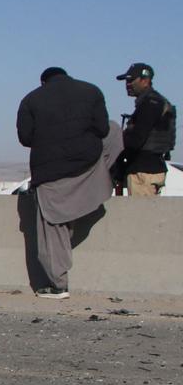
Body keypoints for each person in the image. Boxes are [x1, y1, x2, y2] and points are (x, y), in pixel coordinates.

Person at [18, 67, 116, 299]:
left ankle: (57, 285)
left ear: (44, 82)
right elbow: (103, 129)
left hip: (50, 175)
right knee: (115, 129)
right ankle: (106, 181)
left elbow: (25, 138)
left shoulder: (31, 99)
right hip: (88, 169)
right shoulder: (92, 91)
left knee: (52, 229)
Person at [116, 63, 174, 197]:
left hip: (144, 172)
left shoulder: (150, 103)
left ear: (145, 81)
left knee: (140, 216)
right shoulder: (153, 101)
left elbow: (137, 140)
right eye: (126, 81)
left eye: (131, 80)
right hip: (149, 169)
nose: (127, 84)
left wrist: (118, 138)